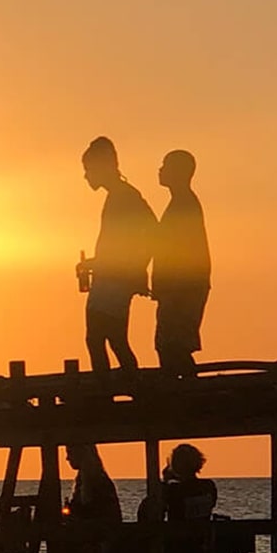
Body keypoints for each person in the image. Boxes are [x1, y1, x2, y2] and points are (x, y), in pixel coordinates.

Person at [75, 136, 156, 378]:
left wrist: (136, 268)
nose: (86, 176)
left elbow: (152, 232)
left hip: (114, 282)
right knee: (110, 339)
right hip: (111, 279)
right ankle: (127, 390)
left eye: (88, 169)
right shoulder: (122, 195)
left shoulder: (125, 196)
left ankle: (110, 393)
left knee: (100, 339)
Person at [152, 149, 211, 376]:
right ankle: (184, 392)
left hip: (182, 289)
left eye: (165, 165)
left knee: (172, 346)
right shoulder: (180, 203)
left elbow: (179, 250)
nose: (160, 170)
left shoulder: (185, 205)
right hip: (177, 289)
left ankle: (185, 394)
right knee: (170, 346)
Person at [65, 443, 122, 525]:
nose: (67, 458)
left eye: (70, 453)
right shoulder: (85, 482)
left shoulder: (99, 484)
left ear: (82, 453)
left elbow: (103, 521)